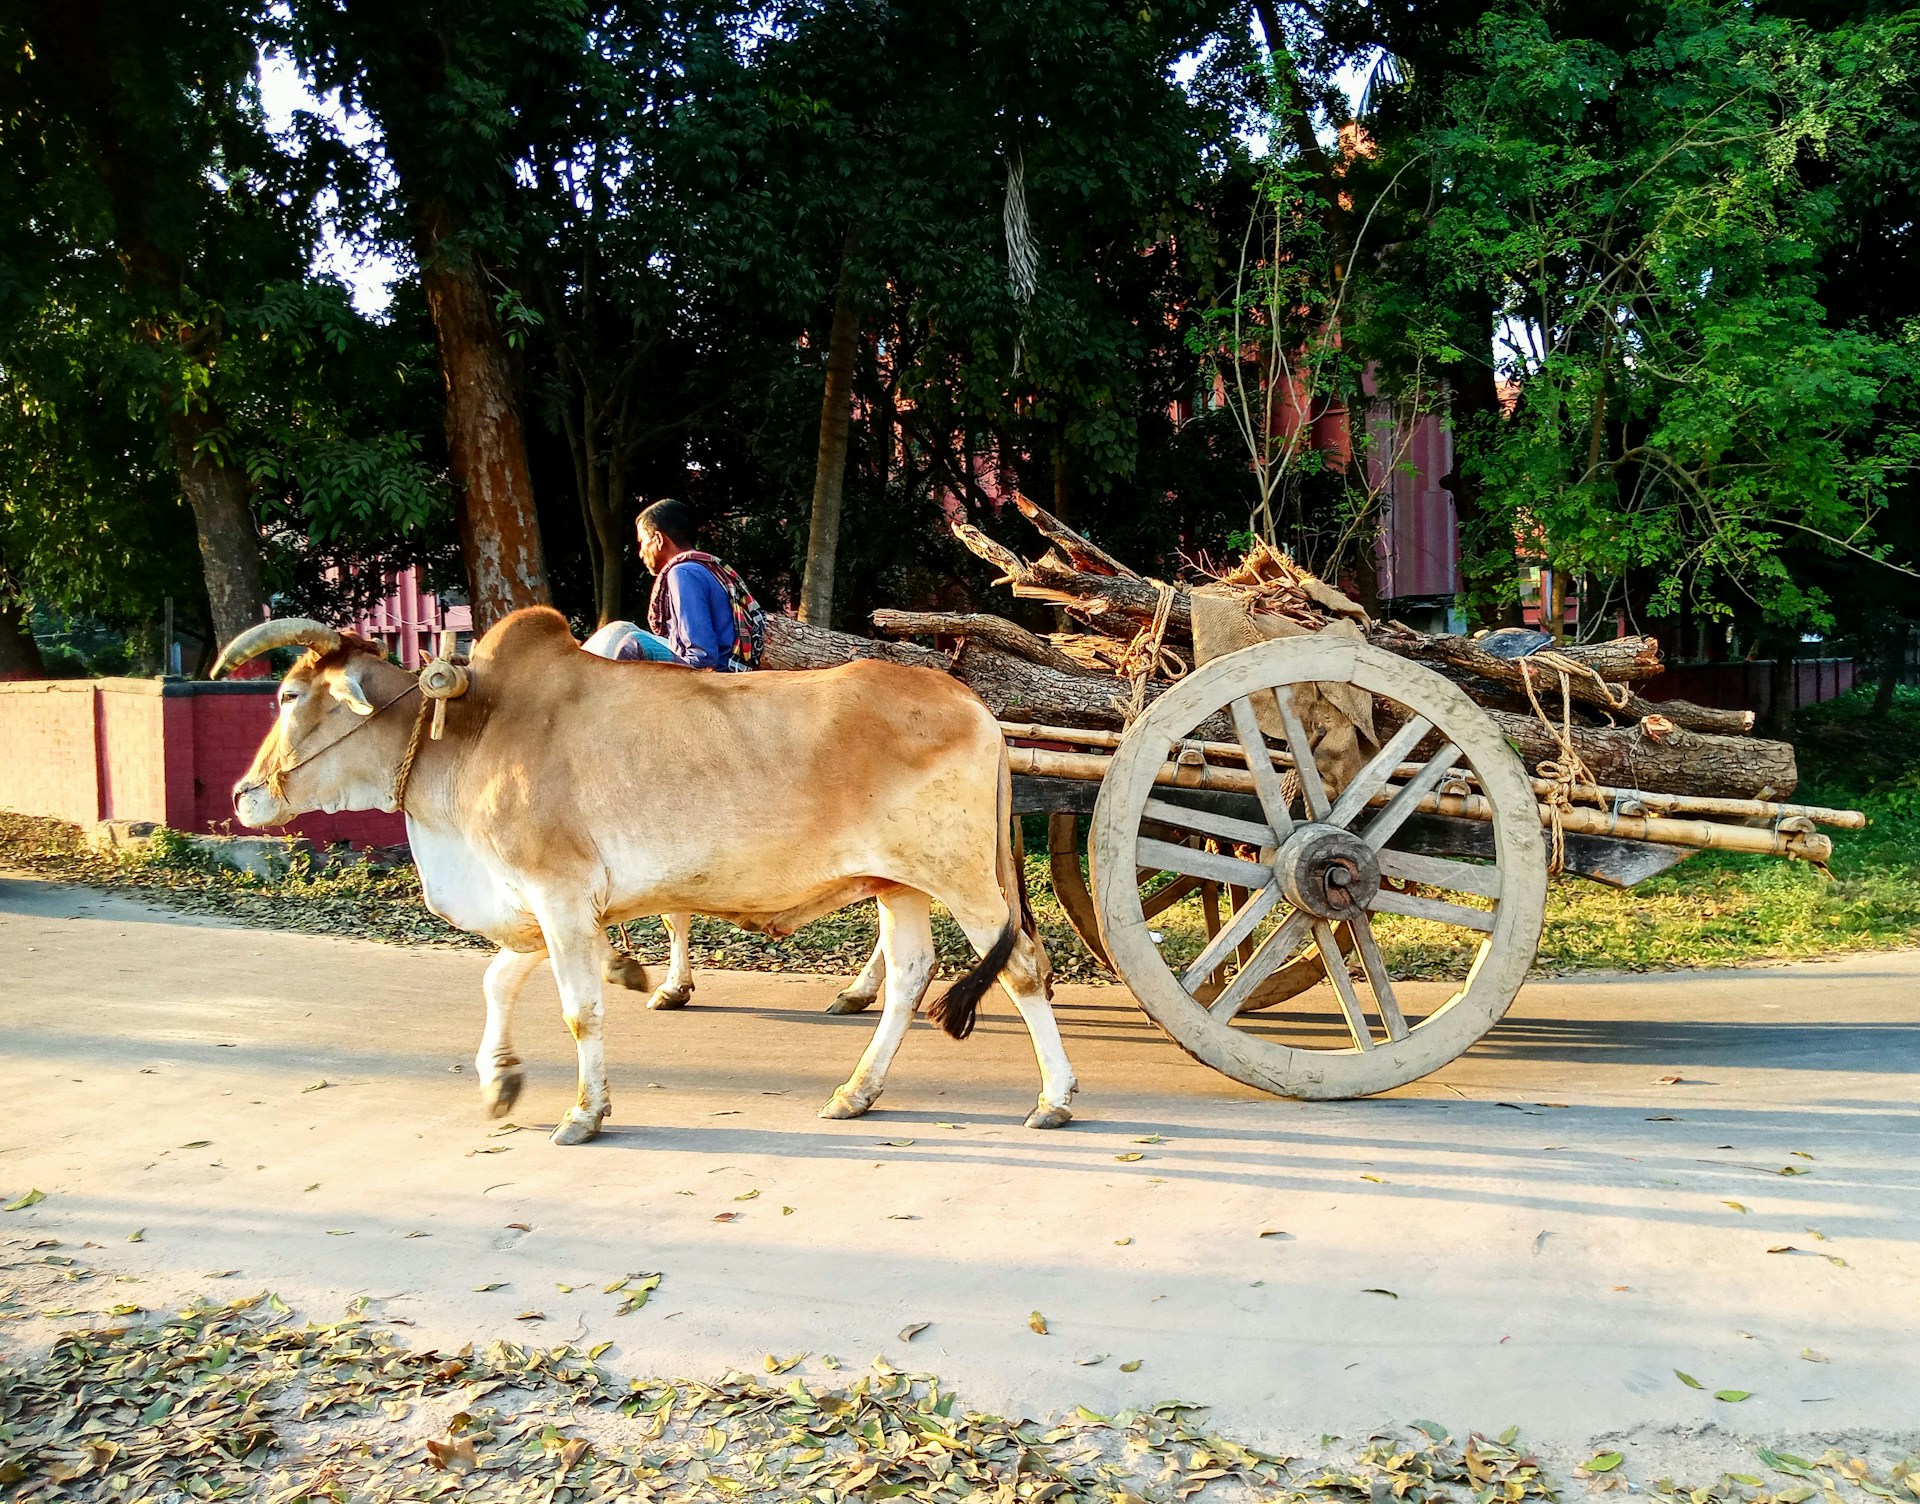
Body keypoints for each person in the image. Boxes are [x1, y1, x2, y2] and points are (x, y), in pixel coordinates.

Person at [579, 498, 764, 671]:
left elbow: (702, 656)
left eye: (642, 542)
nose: (641, 553)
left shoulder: (682, 573)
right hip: (730, 666)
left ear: (658, 540)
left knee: (632, 642)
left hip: (715, 674)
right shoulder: (705, 568)